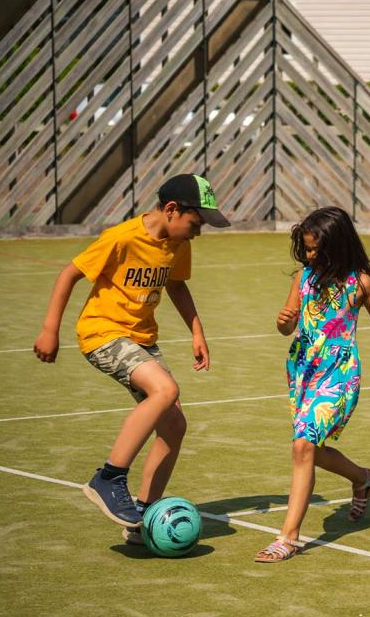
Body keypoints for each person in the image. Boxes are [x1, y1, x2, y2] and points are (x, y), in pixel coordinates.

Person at [33, 174, 230, 542]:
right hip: (102, 332)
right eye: (196, 223)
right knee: (165, 389)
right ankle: (108, 478)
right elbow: (69, 274)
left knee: (174, 426)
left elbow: (175, 284)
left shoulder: (176, 242)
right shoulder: (121, 237)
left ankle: (141, 517)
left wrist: (197, 332)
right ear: (172, 210)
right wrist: (49, 329)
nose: (198, 232)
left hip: (141, 340)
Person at [254, 206, 370, 563]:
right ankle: (364, 478)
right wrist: (283, 321)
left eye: (317, 249)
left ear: (338, 246)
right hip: (304, 369)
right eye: (306, 248)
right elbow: (287, 327)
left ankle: (288, 538)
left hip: (339, 373)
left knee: (303, 444)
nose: (310, 255)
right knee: (310, 449)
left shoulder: (361, 281)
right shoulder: (302, 278)